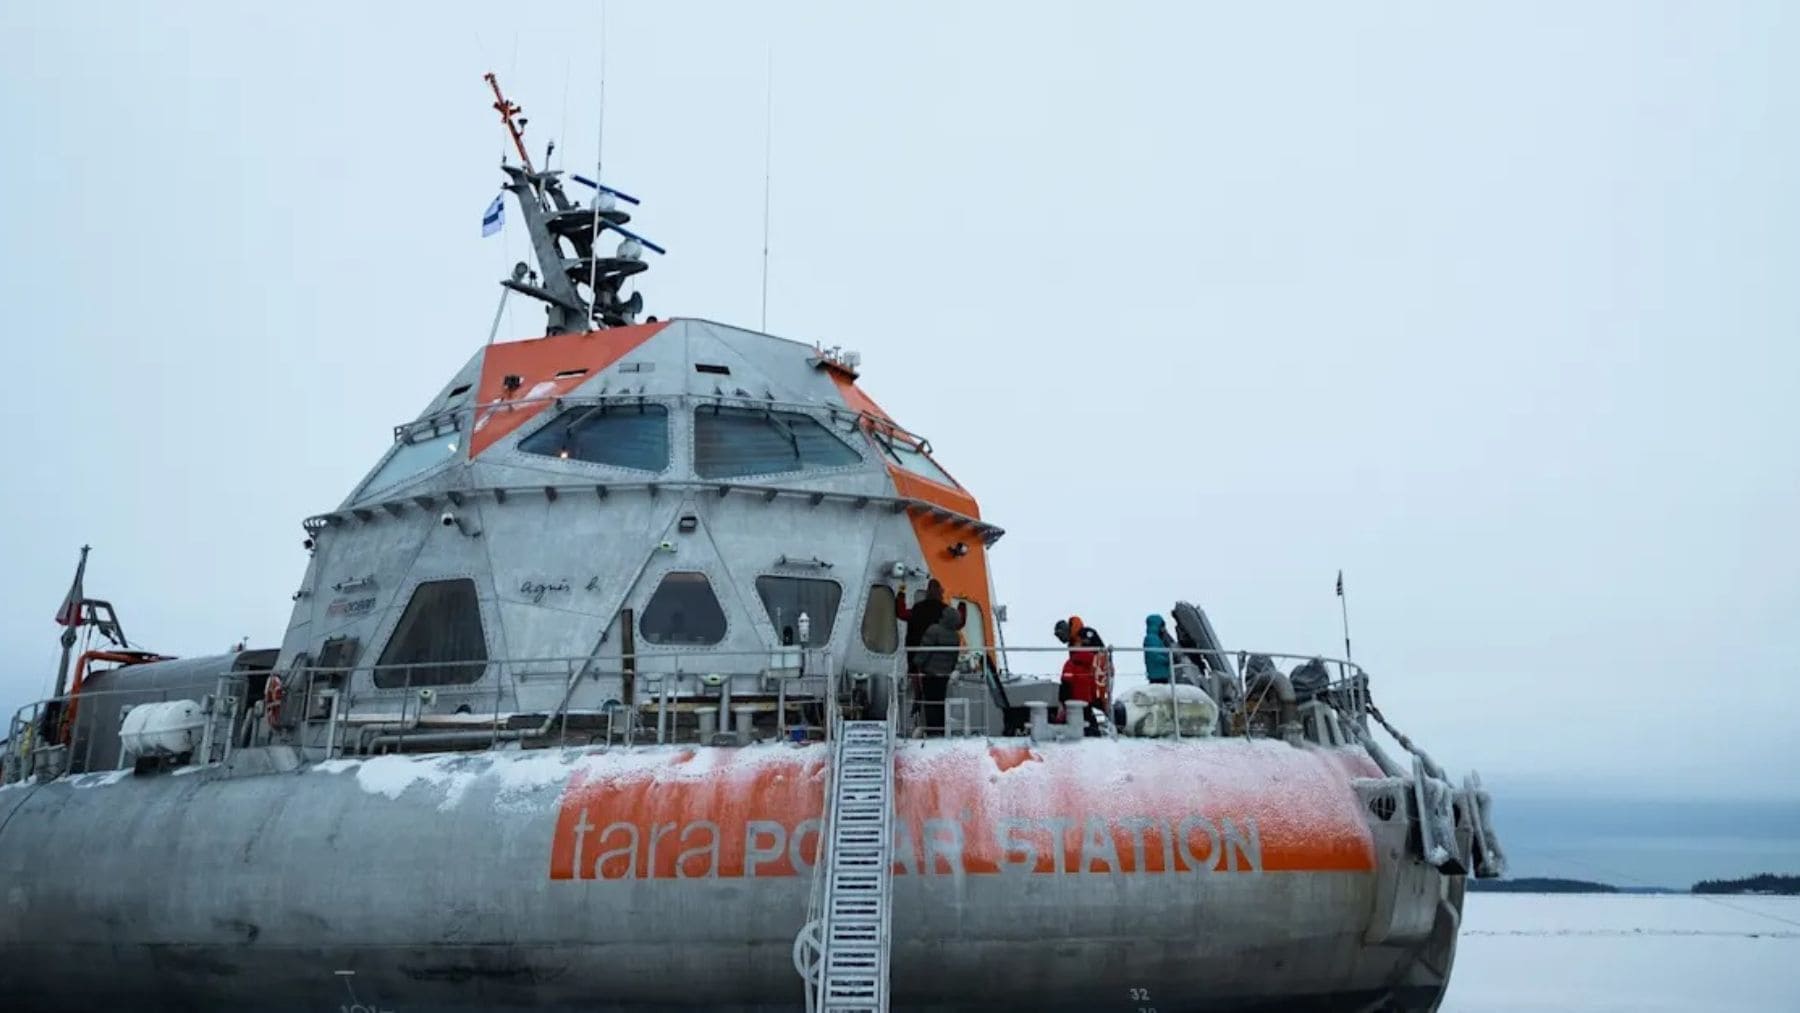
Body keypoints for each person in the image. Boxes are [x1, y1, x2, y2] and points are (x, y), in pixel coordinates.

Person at [916, 608, 964, 736]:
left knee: (930, 704)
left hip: (930, 674)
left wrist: (916, 663)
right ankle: (942, 730)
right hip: (945, 676)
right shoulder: (955, 636)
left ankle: (932, 732)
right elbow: (954, 657)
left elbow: (924, 650)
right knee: (942, 703)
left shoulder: (934, 630)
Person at [1058, 629, 1103, 737]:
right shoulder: (1093, 664)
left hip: (1073, 704)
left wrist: (1062, 702)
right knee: (1091, 727)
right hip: (1087, 703)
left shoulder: (1070, 664)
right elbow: (1094, 685)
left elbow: (1066, 684)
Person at [1143, 614, 1174, 684]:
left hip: (1160, 673)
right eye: (1162, 626)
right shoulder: (1151, 638)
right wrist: (1169, 659)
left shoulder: (1156, 638)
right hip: (1158, 675)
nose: (1164, 629)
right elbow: (1154, 656)